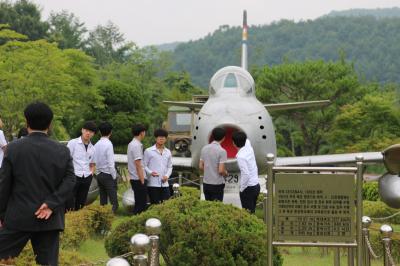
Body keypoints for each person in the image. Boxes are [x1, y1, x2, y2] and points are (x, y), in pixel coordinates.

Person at [0, 102, 75, 265]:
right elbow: (70, 180)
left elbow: (4, 185)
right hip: (49, 219)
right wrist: (50, 204)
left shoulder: (13, 149)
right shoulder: (62, 150)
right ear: (50, 124)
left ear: (26, 122)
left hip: (18, 217)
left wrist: (1, 214)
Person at [67, 121, 97, 211]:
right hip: (74, 176)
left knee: (81, 203)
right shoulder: (73, 143)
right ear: (82, 130)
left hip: (86, 177)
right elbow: (66, 160)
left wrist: (91, 174)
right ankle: (68, 220)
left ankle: (78, 221)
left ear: (93, 134)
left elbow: (92, 164)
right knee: (69, 202)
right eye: (86, 130)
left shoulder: (93, 148)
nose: (88, 133)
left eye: (91, 132)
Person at [232, 131, 260, 213]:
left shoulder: (241, 157)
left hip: (248, 189)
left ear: (234, 143)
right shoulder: (249, 147)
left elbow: (246, 174)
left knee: (247, 214)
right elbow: (246, 139)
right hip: (256, 185)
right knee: (252, 212)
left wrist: (242, 188)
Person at [94, 122, 118, 213]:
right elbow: (111, 163)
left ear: (100, 132)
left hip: (99, 174)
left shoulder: (96, 144)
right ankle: (110, 218)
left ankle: (102, 217)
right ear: (111, 132)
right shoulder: (109, 144)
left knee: (103, 201)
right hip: (108, 175)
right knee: (114, 203)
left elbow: (94, 161)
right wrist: (114, 176)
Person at [144, 128, 172, 204]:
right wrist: (150, 172)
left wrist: (167, 176)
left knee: (167, 204)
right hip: (152, 183)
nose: (161, 139)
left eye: (163, 137)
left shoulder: (168, 152)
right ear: (156, 138)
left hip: (165, 184)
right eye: (160, 137)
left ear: (166, 139)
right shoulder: (148, 151)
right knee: (154, 204)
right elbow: (144, 165)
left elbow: (170, 167)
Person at [199, 127, 228, 201]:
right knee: (217, 207)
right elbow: (221, 170)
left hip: (206, 183)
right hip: (217, 184)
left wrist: (209, 172)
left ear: (213, 136)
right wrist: (226, 173)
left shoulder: (204, 148)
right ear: (223, 138)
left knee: (209, 207)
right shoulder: (222, 151)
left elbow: (200, 166)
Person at [127, 124, 147, 214]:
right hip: (138, 179)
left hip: (135, 178)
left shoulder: (133, 144)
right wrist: (142, 180)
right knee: (141, 205)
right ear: (142, 133)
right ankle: (137, 222)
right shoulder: (136, 145)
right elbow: (138, 164)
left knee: (139, 202)